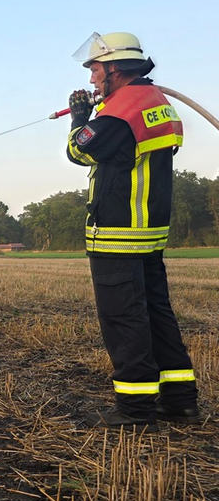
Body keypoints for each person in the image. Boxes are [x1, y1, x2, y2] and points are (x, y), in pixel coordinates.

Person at [66, 32, 199, 431]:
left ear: (114, 67)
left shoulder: (119, 111)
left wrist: (79, 118)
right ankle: (180, 402)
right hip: (149, 231)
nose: (91, 80)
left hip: (118, 232)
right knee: (156, 314)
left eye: (94, 69)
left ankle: (136, 409)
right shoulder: (154, 103)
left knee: (124, 319)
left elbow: (78, 150)